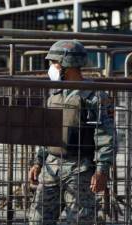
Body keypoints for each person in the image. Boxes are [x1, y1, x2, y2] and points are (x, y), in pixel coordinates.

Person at [28, 40, 115, 225]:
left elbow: (105, 136)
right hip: (52, 167)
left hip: (80, 170)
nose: (51, 68)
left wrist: (102, 170)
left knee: (80, 220)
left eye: (53, 63)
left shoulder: (93, 97)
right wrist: (38, 161)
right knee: (37, 219)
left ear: (66, 64)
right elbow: (48, 131)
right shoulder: (55, 94)